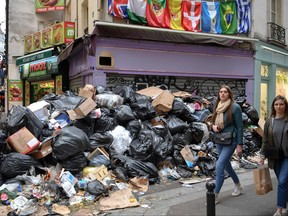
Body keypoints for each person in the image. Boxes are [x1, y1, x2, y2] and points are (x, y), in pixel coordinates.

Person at [210, 85, 244, 204]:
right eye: (221, 92)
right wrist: (213, 126)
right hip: (219, 139)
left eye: (225, 92)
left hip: (231, 140)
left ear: (229, 94)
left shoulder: (235, 107)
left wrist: (240, 144)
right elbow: (212, 121)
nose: (222, 94)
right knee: (226, 165)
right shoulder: (217, 106)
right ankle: (238, 185)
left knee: (219, 165)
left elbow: (240, 127)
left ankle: (215, 194)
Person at [260, 95, 288, 216]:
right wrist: (262, 155)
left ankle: (279, 209)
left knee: (282, 181)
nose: (279, 106)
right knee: (284, 181)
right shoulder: (269, 121)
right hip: (275, 157)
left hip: (287, 156)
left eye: (281, 104)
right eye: (276, 104)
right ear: (273, 106)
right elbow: (265, 140)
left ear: (285, 106)